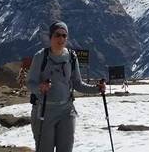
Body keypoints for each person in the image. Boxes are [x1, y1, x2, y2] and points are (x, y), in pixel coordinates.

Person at [27, 21, 106, 152]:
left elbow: (77, 84)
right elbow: (30, 82)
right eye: (57, 35)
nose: (61, 39)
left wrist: (97, 88)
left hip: (66, 111)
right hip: (44, 110)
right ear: (50, 37)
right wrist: (40, 88)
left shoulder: (71, 57)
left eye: (64, 35)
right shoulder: (40, 56)